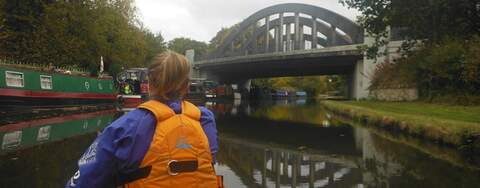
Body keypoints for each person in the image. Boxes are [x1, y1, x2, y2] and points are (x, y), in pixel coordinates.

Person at [66, 51, 220, 187]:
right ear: (186, 86)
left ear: (149, 83)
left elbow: (83, 181)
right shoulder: (204, 119)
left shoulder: (125, 126)